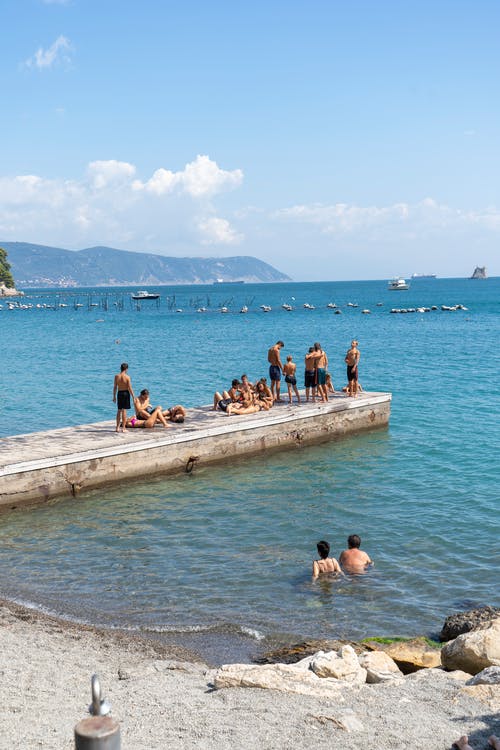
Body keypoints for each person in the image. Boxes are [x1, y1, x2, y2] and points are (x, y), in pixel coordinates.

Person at [113, 363, 135, 433]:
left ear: (121, 368)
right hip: (125, 393)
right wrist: (133, 396)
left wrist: (114, 396)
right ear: (126, 369)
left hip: (119, 393)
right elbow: (130, 388)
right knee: (124, 410)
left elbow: (115, 387)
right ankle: (124, 428)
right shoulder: (127, 377)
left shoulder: (116, 376)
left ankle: (117, 427)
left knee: (119, 410)